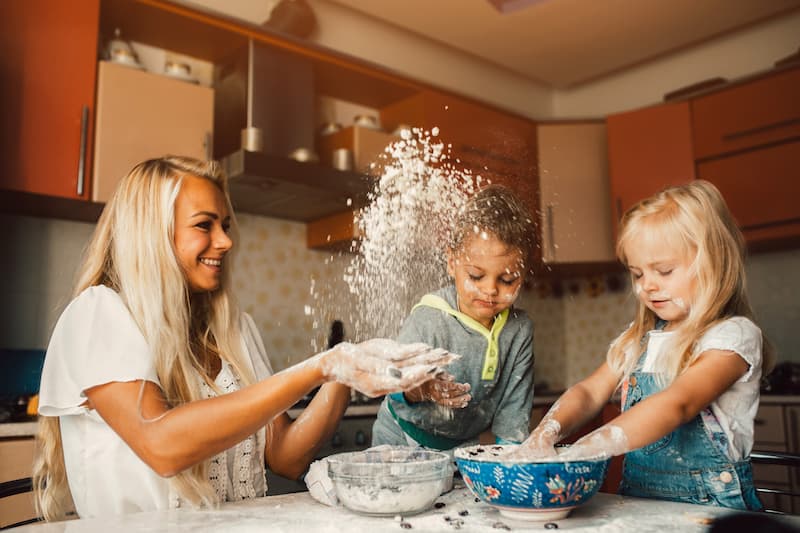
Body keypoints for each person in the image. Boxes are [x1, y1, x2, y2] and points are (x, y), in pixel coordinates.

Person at [33, 156, 456, 520]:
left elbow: (287, 457)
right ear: (152, 234)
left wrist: (347, 372)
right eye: (205, 225)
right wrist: (320, 366)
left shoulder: (233, 328)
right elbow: (160, 444)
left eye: (226, 224)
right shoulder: (100, 314)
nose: (226, 241)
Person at [517, 180, 774, 511]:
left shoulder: (732, 336)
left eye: (663, 271)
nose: (647, 286)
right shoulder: (638, 340)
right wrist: (546, 433)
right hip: (639, 506)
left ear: (714, 261)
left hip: (712, 511)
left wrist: (588, 448)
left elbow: (677, 404)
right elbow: (590, 392)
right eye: (637, 275)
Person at [371, 184, 536, 450]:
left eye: (507, 279)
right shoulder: (429, 317)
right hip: (399, 441)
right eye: (476, 276)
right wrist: (423, 388)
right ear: (451, 262)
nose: (490, 289)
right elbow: (393, 380)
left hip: (459, 449)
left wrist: (511, 459)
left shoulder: (519, 331)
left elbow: (513, 414)